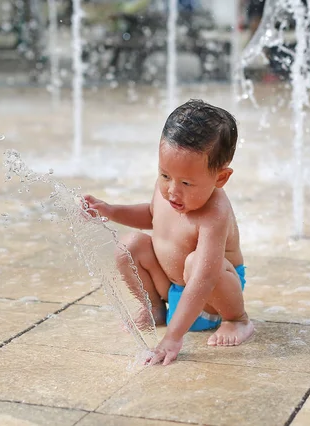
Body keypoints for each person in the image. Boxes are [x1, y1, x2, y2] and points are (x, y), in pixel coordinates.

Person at [83, 99, 255, 366]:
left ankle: (238, 320)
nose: (173, 190)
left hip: (213, 298)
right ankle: (154, 307)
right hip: (174, 288)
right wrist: (110, 210)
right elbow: (153, 216)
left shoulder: (214, 213)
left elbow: (204, 278)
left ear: (220, 178)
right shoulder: (170, 188)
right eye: (164, 175)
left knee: (196, 262)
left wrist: (174, 337)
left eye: (186, 182)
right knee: (130, 245)